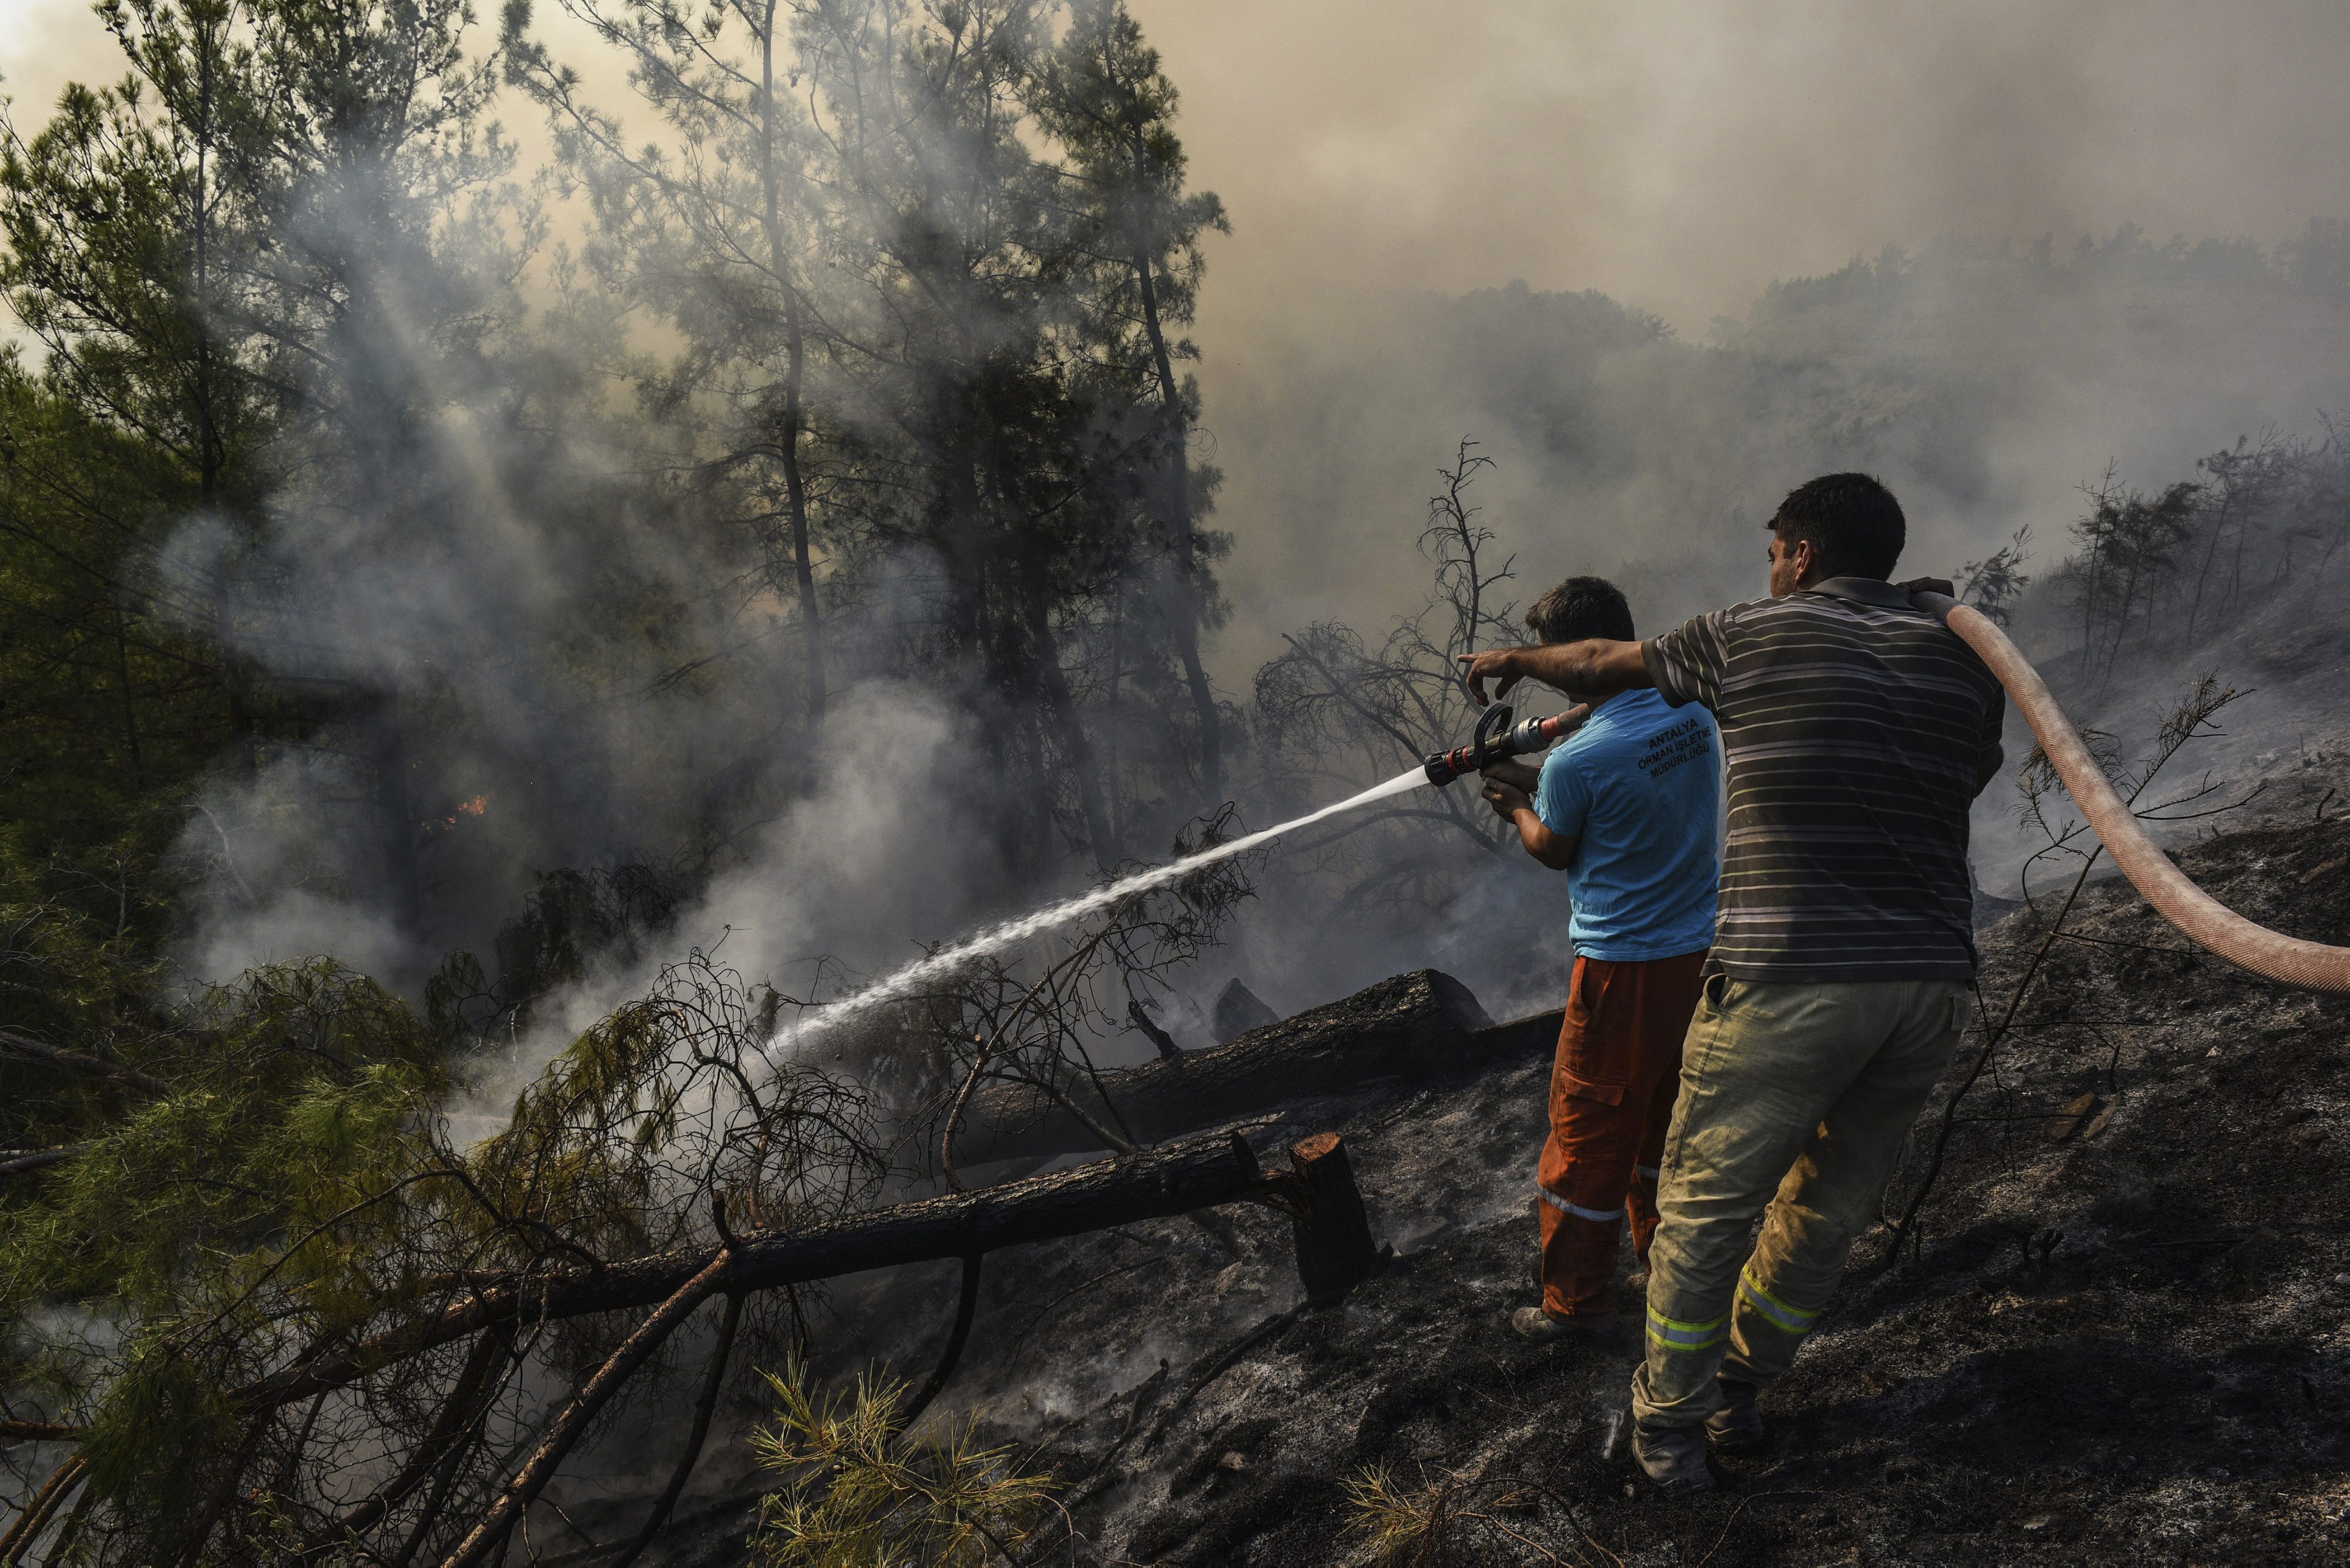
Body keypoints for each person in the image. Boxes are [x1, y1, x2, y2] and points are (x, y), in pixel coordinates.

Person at [1457, 474, 2005, 1495]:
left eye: (1772, 554)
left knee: (1703, 1211)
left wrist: (1506, 661)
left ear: (1798, 556)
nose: (1767, 569)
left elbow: (1593, 665)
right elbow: (1971, 772)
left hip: (1790, 971)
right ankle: (1741, 1390)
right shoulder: (1962, 653)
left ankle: (1669, 1438)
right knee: (1823, 1214)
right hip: (1930, 981)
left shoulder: (1747, 638)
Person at [1474, 576, 1720, 1342]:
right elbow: (1615, 777)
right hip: (1700, 954)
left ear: (1572, 658)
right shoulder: (1694, 708)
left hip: (1622, 970)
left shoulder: (1579, 763)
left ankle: (1574, 1308)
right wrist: (1546, 765)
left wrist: (1515, 802)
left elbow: (1554, 846)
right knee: (1664, 1120)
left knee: (1587, 1131)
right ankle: (1663, 1259)